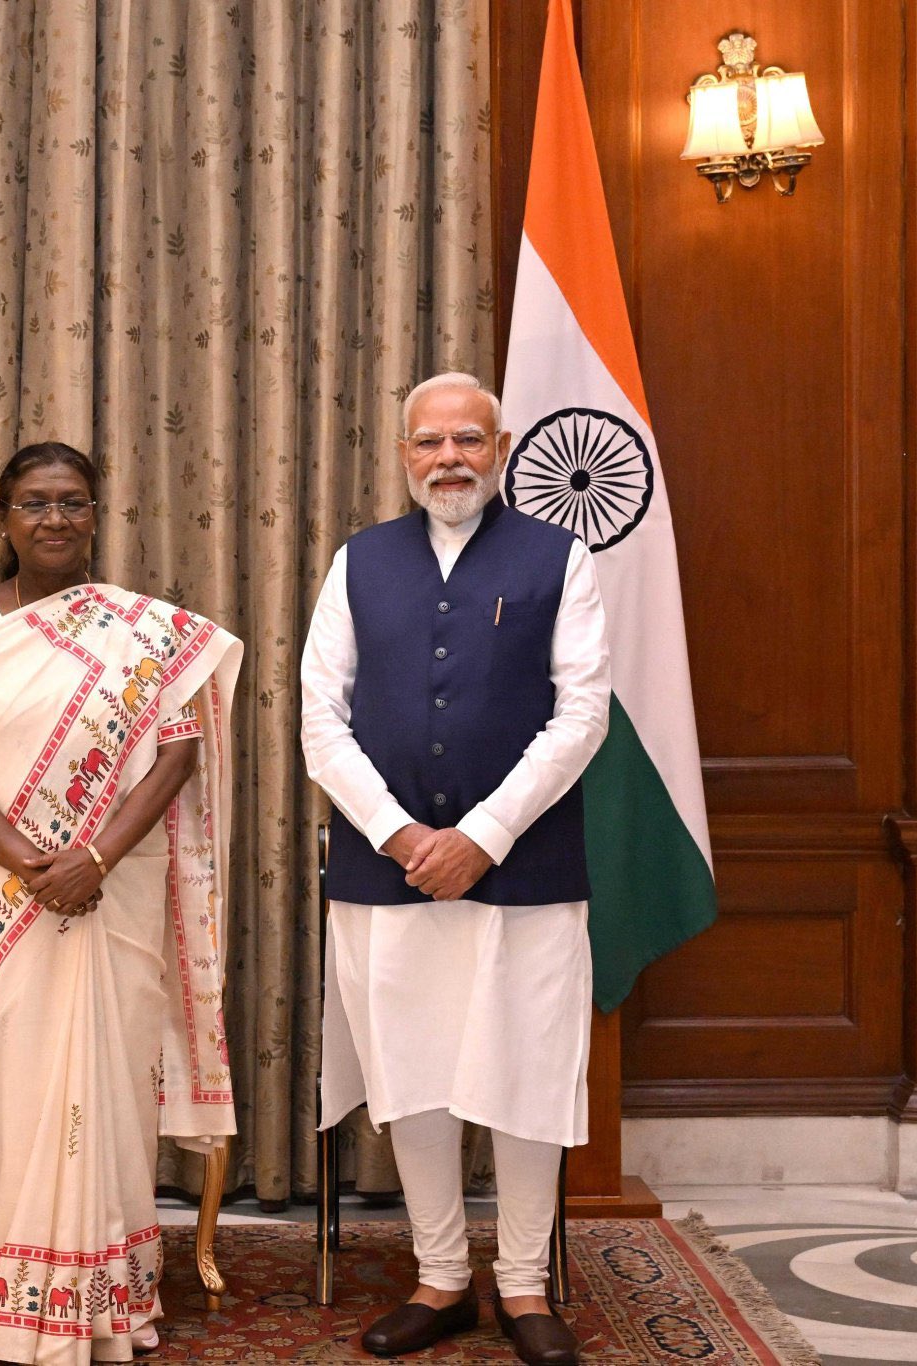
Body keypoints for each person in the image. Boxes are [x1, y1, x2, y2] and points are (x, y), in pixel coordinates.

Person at [301, 373, 609, 1365]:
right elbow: (318, 718)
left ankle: (521, 1286)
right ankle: (441, 1279)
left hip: (523, 871)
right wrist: (399, 835)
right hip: (382, 873)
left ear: (501, 444)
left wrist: (483, 832)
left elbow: (581, 713)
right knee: (411, 1071)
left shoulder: (559, 556)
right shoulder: (357, 562)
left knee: (525, 1071)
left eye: (467, 439)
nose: (448, 458)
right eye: (427, 442)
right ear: (402, 454)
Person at [0, 442, 242, 1364]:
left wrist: (92, 857)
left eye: (72, 503)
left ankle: (109, 1288)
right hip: (3, 898)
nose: (53, 519)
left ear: (98, 514)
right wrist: (34, 865)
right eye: (33, 503)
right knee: (9, 1088)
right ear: (3, 516)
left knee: (109, 1085)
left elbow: (176, 755)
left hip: (115, 894)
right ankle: (16, 1286)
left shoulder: (145, 633)